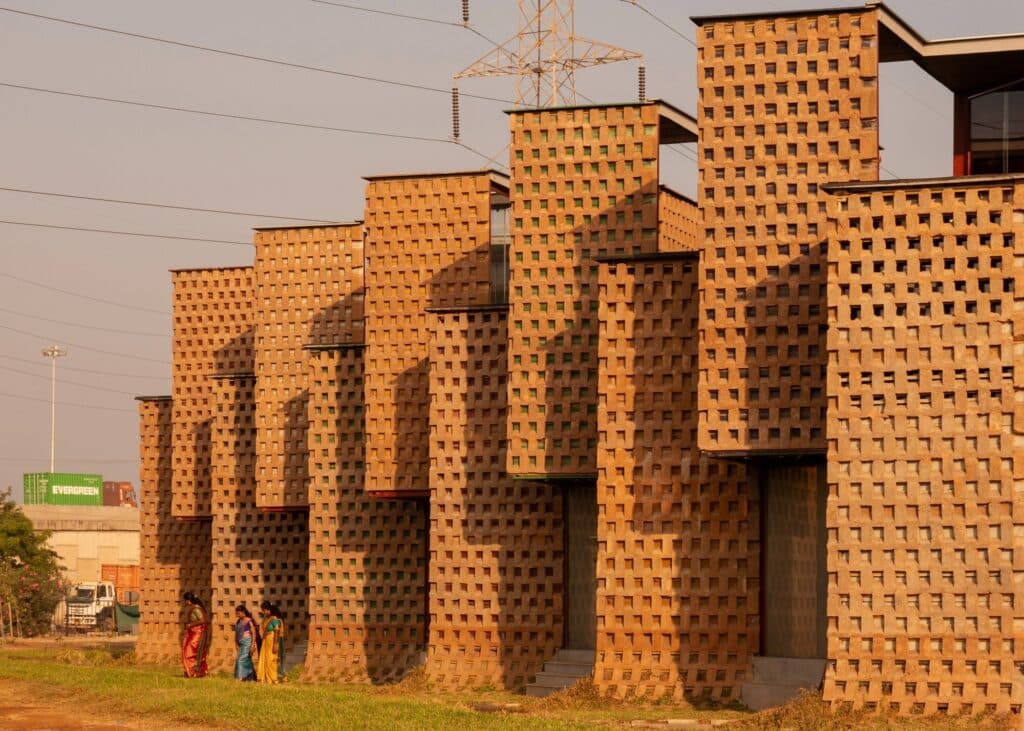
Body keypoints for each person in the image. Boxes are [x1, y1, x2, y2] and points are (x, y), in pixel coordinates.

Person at [180, 592, 210, 678]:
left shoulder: (196, 609)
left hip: (198, 633)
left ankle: (194, 672)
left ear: (189, 600)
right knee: (188, 651)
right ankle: (191, 671)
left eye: (185, 600)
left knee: (190, 652)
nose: (185, 602)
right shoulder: (193, 608)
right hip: (193, 632)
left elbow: (203, 620)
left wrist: (191, 625)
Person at [256, 600, 283, 684]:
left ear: (268, 609)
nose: (264, 612)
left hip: (272, 641)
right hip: (265, 641)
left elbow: (277, 632)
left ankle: (273, 679)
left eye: (264, 610)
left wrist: (275, 644)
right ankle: (264, 678)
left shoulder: (274, 619)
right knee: (265, 659)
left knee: (271, 659)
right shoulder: (266, 619)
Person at [233, 604, 258, 681]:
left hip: (247, 643)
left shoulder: (249, 620)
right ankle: (250, 678)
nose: (237, 615)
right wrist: (236, 643)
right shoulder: (238, 621)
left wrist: (252, 645)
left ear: (243, 612)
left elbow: (253, 633)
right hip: (241, 644)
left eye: (238, 613)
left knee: (241, 660)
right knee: (244, 660)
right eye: (236, 613)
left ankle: (240, 678)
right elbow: (236, 633)